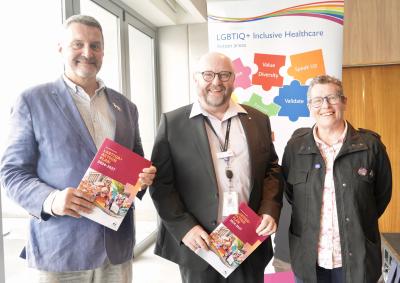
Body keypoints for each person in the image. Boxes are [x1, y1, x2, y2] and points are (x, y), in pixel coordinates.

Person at [0, 15, 156, 282]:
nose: (87, 52)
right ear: (61, 48)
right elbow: (12, 173)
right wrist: (51, 200)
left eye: (95, 46)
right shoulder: (32, 101)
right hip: (61, 250)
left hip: (115, 249)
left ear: (103, 52)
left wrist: (144, 177)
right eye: (78, 44)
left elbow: (137, 160)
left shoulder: (126, 107)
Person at [150, 52, 283, 283]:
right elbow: (161, 184)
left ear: (233, 79)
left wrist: (269, 209)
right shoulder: (173, 123)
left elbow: (271, 168)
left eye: (224, 75)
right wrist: (185, 228)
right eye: (208, 74)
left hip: (248, 241)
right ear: (196, 79)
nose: (216, 82)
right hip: (200, 244)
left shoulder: (258, 119)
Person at [282, 75, 392, 283]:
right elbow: (290, 194)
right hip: (309, 261)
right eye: (317, 100)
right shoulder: (295, 148)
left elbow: (381, 196)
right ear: (309, 106)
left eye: (332, 98)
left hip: (358, 260)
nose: (325, 105)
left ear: (344, 102)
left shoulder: (370, 146)